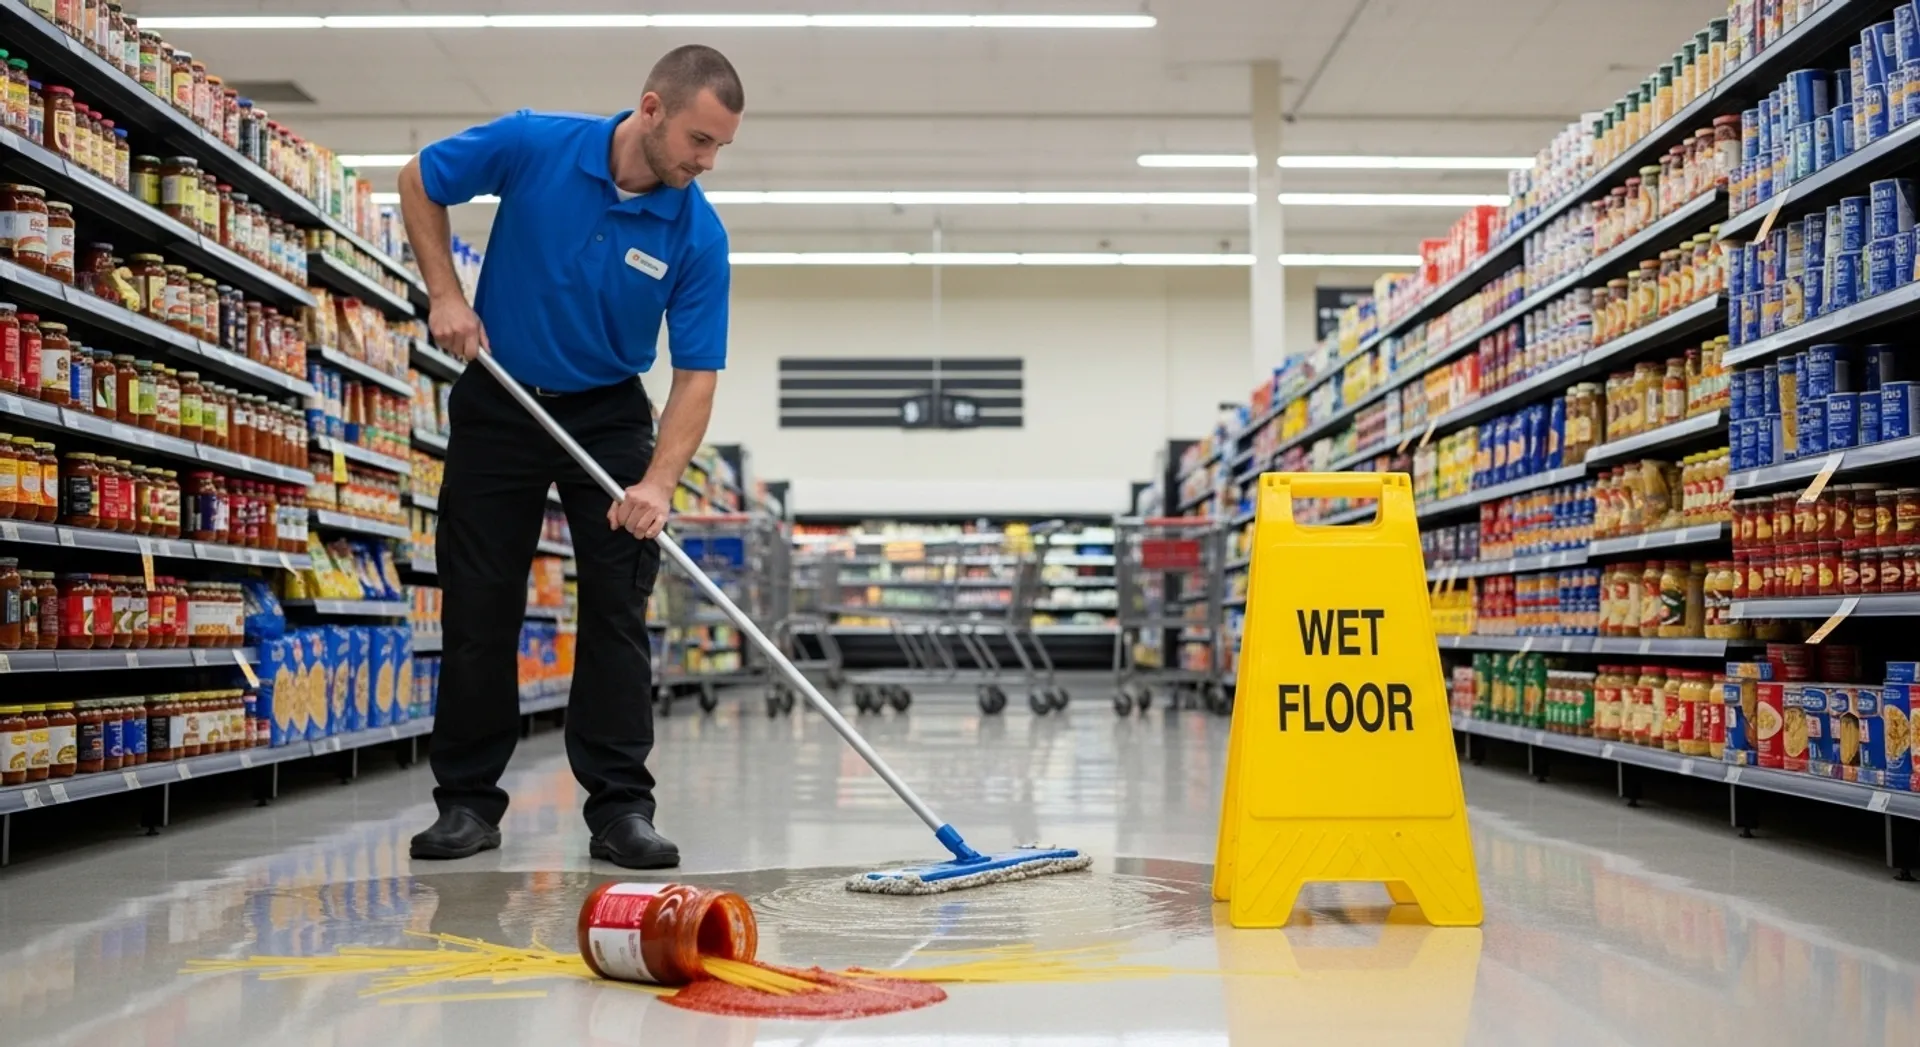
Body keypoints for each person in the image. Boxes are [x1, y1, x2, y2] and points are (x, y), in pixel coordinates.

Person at [397, 45, 743, 869]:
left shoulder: (697, 234)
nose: (705, 161)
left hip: (609, 413)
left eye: (720, 148)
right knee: (480, 607)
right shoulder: (533, 144)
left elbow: (696, 375)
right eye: (699, 139)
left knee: (619, 609)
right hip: (502, 392)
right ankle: (468, 804)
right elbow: (419, 178)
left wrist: (657, 482)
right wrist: (446, 293)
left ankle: (621, 808)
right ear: (652, 108)